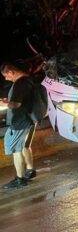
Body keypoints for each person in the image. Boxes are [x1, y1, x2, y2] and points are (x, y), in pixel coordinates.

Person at [1, 62, 37, 190]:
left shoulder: (20, 83)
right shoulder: (28, 79)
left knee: (16, 149)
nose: (6, 78)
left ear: (11, 72)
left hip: (20, 121)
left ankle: (20, 179)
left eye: (6, 75)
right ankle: (29, 171)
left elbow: (16, 104)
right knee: (24, 147)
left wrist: (5, 104)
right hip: (29, 119)